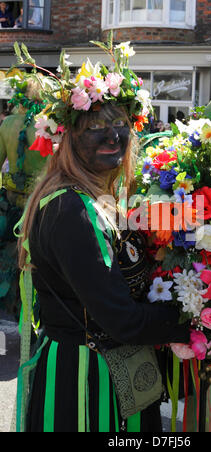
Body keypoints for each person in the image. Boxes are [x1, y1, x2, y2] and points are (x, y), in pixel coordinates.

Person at [14, 41, 190, 433]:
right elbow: (120, 320)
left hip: (115, 371)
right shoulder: (72, 210)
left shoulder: (102, 199)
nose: (113, 137)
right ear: (70, 139)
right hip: (85, 379)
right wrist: (195, 318)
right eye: (94, 128)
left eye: (121, 126)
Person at [0, 76, 47, 316]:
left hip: (10, 206)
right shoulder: (48, 125)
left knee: (9, 261)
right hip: (41, 207)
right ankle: (30, 314)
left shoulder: (7, 124)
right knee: (35, 265)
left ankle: (10, 312)